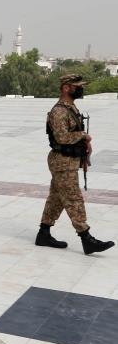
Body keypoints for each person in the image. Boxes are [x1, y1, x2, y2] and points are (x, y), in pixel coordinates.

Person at [36, 74, 113, 254]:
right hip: (62, 161)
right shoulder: (59, 111)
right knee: (73, 199)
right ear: (66, 88)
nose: (81, 89)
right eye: (77, 86)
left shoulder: (70, 107)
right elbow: (62, 137)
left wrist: (84, 147)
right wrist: (83, 136)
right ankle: (87, 239)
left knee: (56, 198)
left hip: (68, 160)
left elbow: (73, 134)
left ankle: (43, 234)